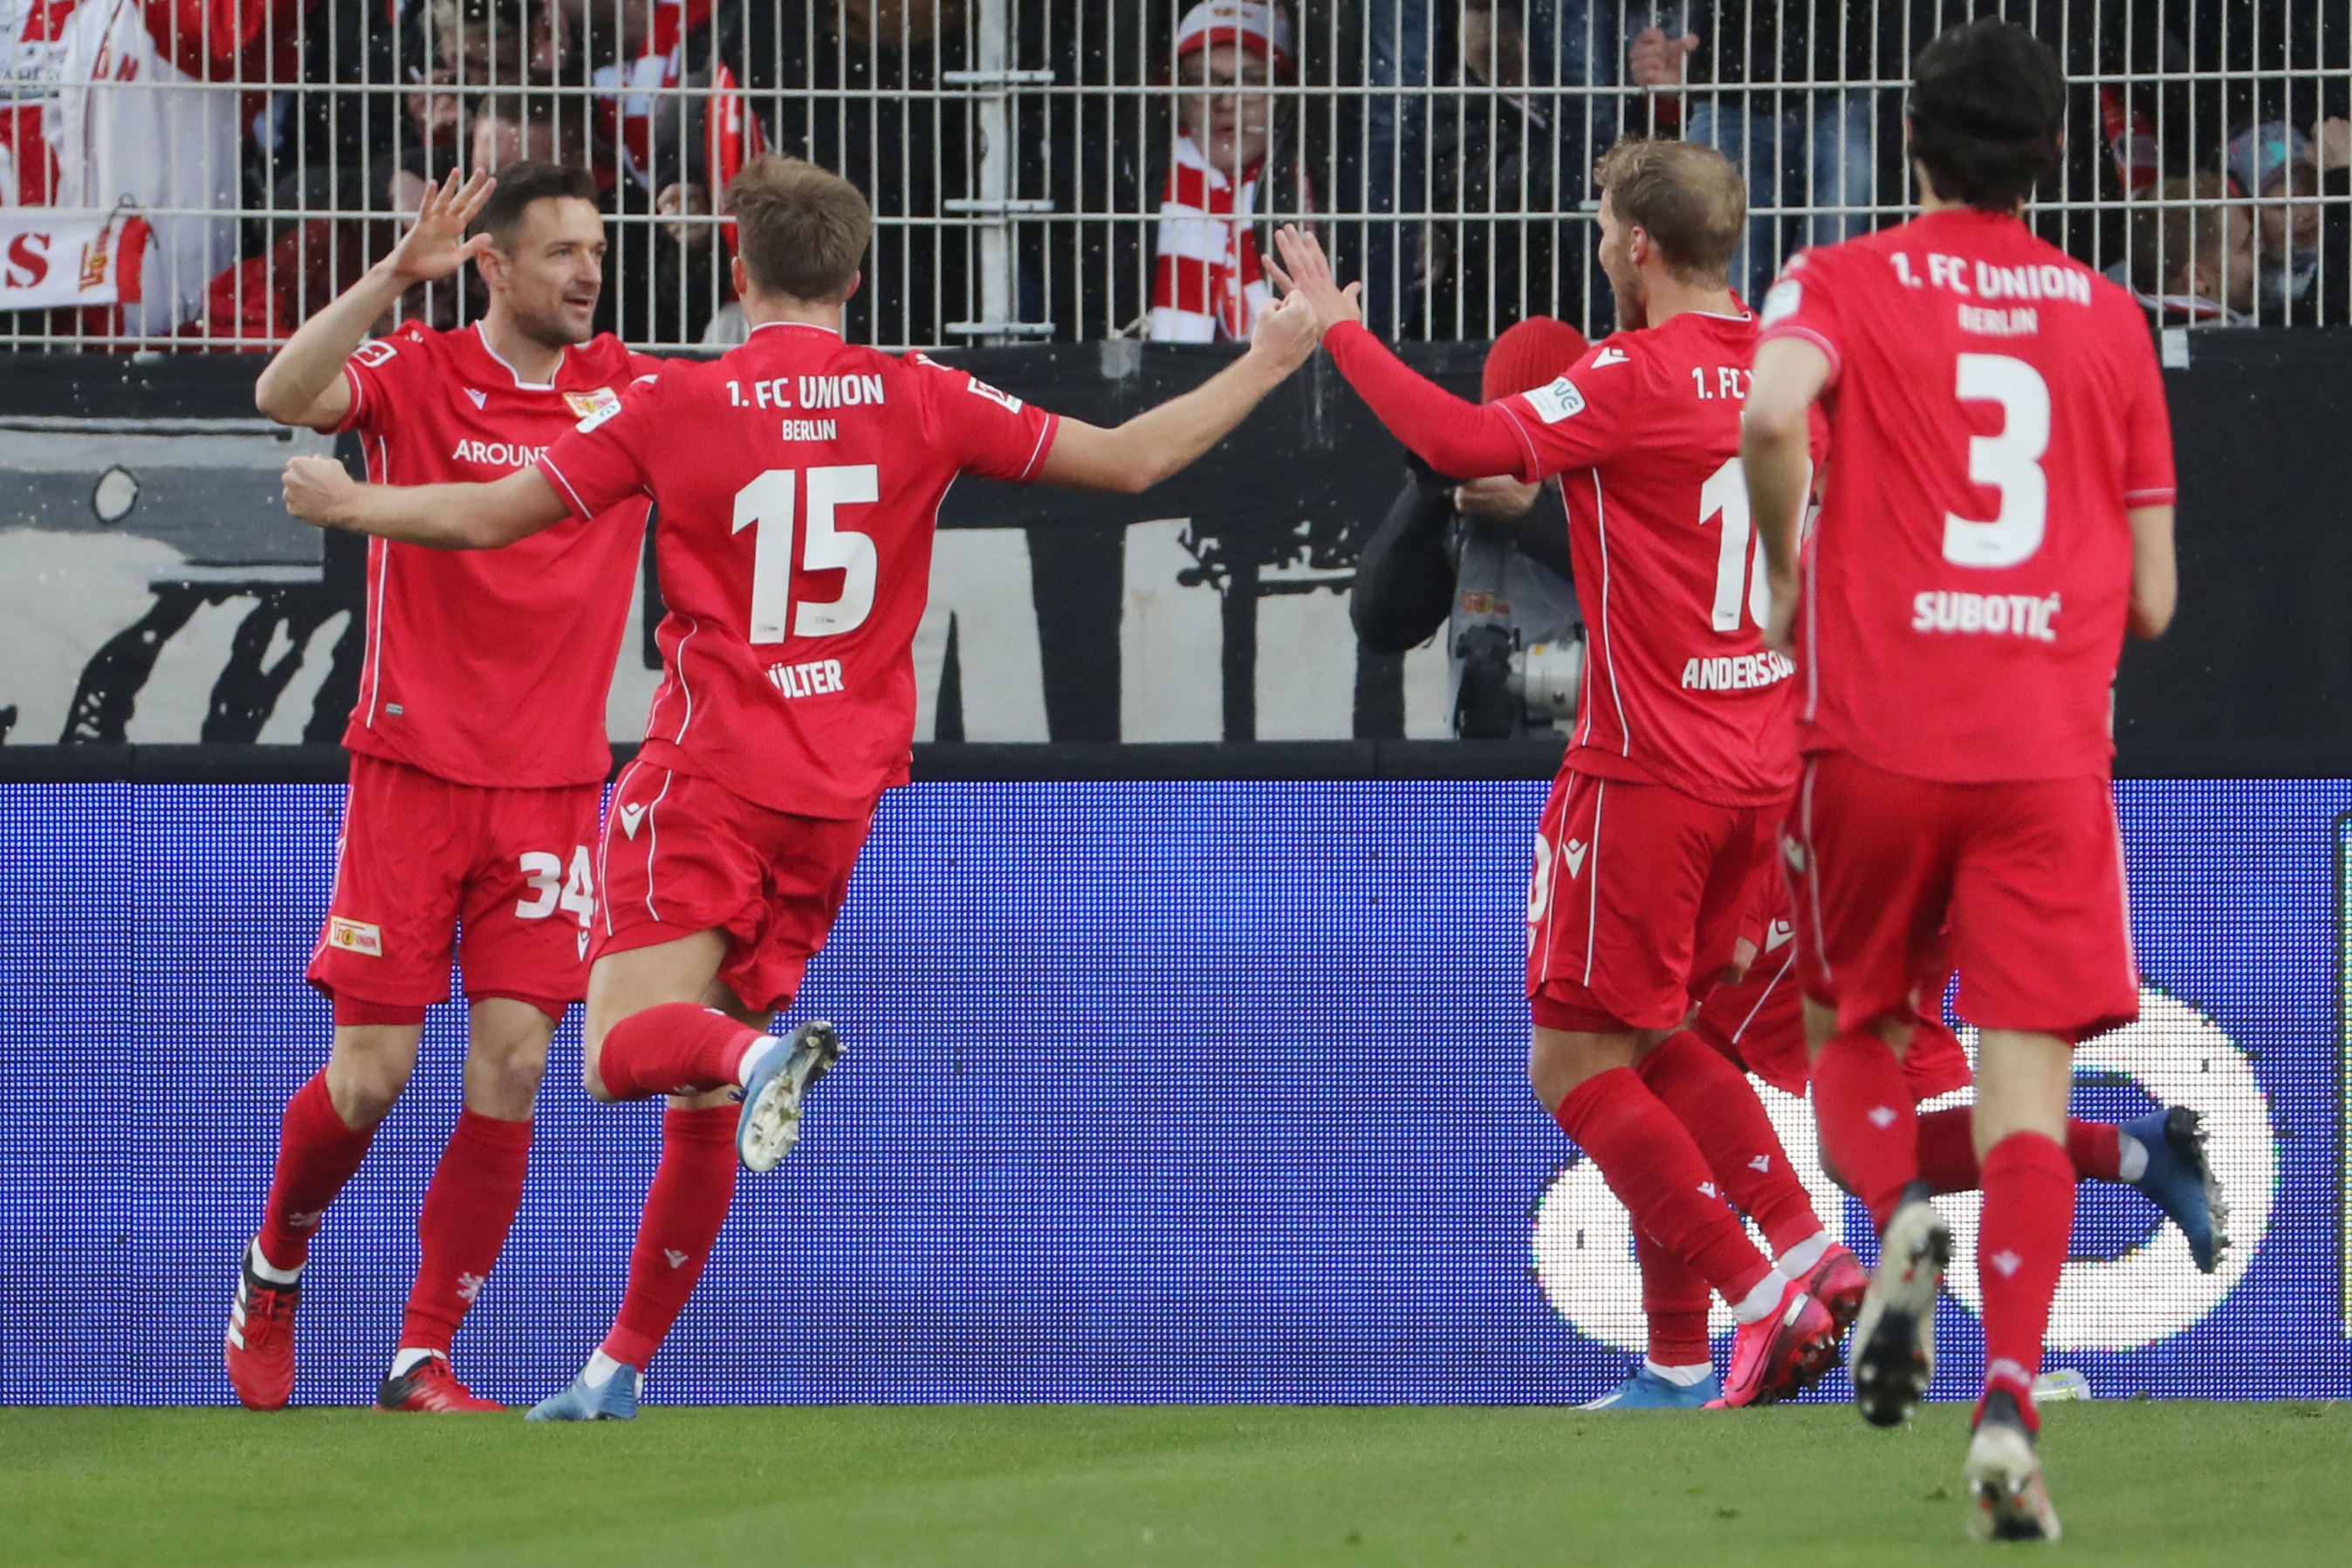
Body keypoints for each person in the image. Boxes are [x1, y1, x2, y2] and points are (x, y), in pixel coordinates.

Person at [278, 153, 1320, 1418]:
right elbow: (1134, 458)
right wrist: (1272, 355)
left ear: (737, 268)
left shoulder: (676, 402)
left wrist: (353, 505)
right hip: (837, 796)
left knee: (615, 1054)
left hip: (709, 774)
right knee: (701, 1094)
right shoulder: (920, 393)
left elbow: (496, 515)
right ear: (856, 275)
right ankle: (616, 1369)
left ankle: (760, 1056)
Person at [1272, 138, 1856, 1411]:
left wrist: (1338, 331)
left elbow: (1458, 435)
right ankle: (1805, 1260)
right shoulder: (1798, 370)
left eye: (1601, 229)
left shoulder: (1630, 375)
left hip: (1647, 772)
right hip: (1763, 774)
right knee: (1659, 1036)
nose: (1599, 249)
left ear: (1636, 245)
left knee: (1571, 1065)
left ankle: (1761, 1298)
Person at [1741, 18, 2179, 1539]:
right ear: (2051, 152)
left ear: (1909, 142)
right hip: (2042, 753)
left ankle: (1895, 1219)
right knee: (2024, 1091)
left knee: (1847, 1031)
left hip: (1871, 733)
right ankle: (2004, 1400)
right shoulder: (2109, 318)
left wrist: (1791, 574)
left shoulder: (1839, 277)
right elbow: (2155, 599)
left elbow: (1769, 412)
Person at [229, 162, 662, 1414]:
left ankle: (421, 1354)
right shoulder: (418, 371)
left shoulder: (628, 391)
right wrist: (386, 278)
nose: (588, 272)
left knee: (514, 1067)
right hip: (412, 773)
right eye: (562, 251)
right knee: (372, 1076)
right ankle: (273, 1270)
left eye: (597, 250)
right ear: (494, 265)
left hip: (553, 787)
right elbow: (283, 394)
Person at [1348, 314, 1587, 741]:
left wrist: (1531, 516)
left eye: (1539, 429)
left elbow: (1644, 583)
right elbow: (1382, 624)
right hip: (1478, 768)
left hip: (1595, 763)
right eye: (1509, 427)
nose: (1521, 452)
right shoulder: (1470, 508)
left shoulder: (1618, 494)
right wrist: (1429, 491)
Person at [1147, 2, 1314, 342]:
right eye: (1202, 81)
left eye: (1251, 81)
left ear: (1283, 97)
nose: (1225, 100)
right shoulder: (1136, 186)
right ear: (1176, 97)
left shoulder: (1315, 186)